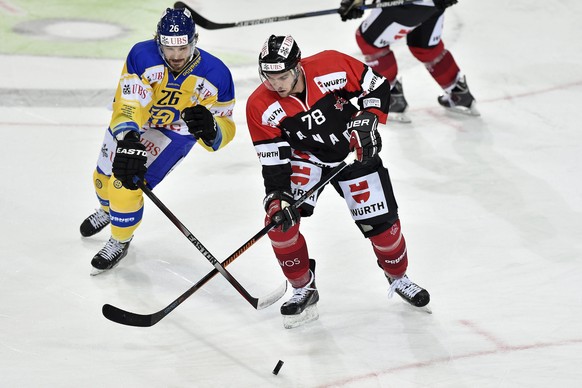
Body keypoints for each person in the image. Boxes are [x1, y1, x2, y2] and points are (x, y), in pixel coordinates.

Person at [246, 35, 430, 329]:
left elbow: (377, 86)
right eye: (269, 78)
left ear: (298, 67)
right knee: (281, 222)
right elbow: (273, 159)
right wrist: (278, 195)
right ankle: (302, 287)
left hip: (351, 151)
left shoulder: (331, 64)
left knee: (382, 228)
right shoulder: (259, 105)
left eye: (283, 76)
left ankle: (398, 277)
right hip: (305, 158)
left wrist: (367, 117)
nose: (277, 84)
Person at [80, 7, 236, 275]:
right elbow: (129, 102)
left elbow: (226, 126)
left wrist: (212, 130)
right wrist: (129, 138)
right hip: (137, 122)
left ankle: (120, 240)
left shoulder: (217, 74)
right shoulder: (142, 55)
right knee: (101, 178)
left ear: (194, 41)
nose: (176, 56)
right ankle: (108, 210)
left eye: (183, 48)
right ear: (158, 41)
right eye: (169, 48)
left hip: (174, 132)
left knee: (124, 184)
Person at [338, 0, 479, 123]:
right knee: (425, 47)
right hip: (433, 5)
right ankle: (458, 92)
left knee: (368, 40)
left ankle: (391, 99)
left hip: (407, 5)